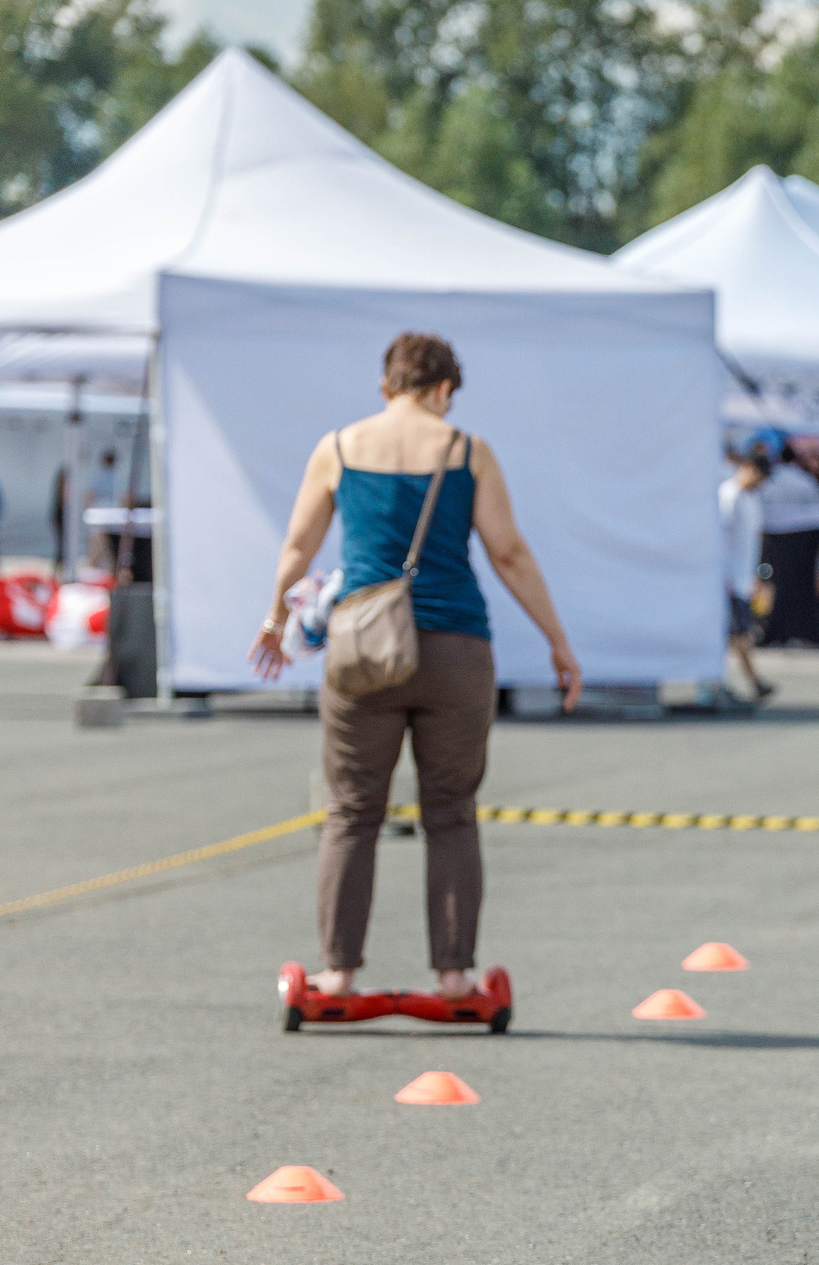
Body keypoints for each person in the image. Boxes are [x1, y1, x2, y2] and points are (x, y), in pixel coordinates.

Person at [249, 331, 582, 1002]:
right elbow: (508, 552)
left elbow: (298, 543)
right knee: (452, 811)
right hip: (455, 646)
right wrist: (557, 641)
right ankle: (454, 974)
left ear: (385, 386)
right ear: (444, 390)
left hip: (362, 647)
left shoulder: (338, 448)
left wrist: (274, 617)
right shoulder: (467, 451)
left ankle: (337, 971)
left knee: (351, 811)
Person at [759, 438, 819, 645]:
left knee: (777, 588)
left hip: (778, 541)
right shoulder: (806, 481)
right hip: (805, 543)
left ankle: (776, 632)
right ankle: (804, 632)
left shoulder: (771, 480)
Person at [718, 445, 771, 701]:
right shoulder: (729, 495)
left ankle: (724, 682)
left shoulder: (751, 498)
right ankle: (750, 681)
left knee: (735, 634)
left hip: (741, 578)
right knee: (737, 634)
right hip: (726, 578)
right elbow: (722, 539)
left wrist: (755, 576)